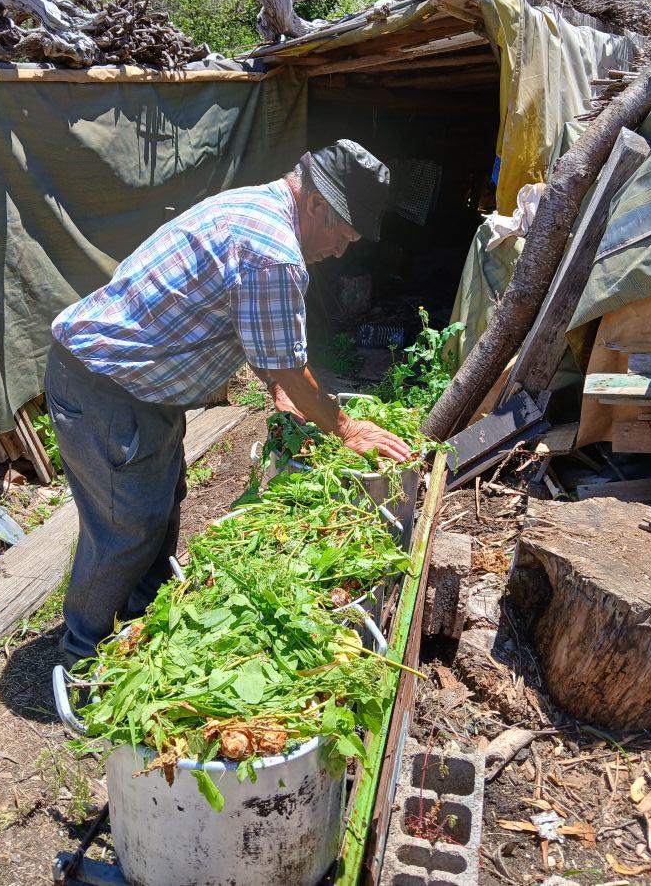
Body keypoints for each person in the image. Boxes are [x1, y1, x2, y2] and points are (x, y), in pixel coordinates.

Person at [45, 139, 410, 667]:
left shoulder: (258, 208)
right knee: (126, 529)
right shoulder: (272, 250)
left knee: (161, 505)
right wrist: (346, 428)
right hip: (105, 387)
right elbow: (288, 361)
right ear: (314, 205)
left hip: (142, 389)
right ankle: (81, 658)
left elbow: (260, 334)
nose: (341, 250)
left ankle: (141, 627)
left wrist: (280, 390)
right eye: (343, 235)